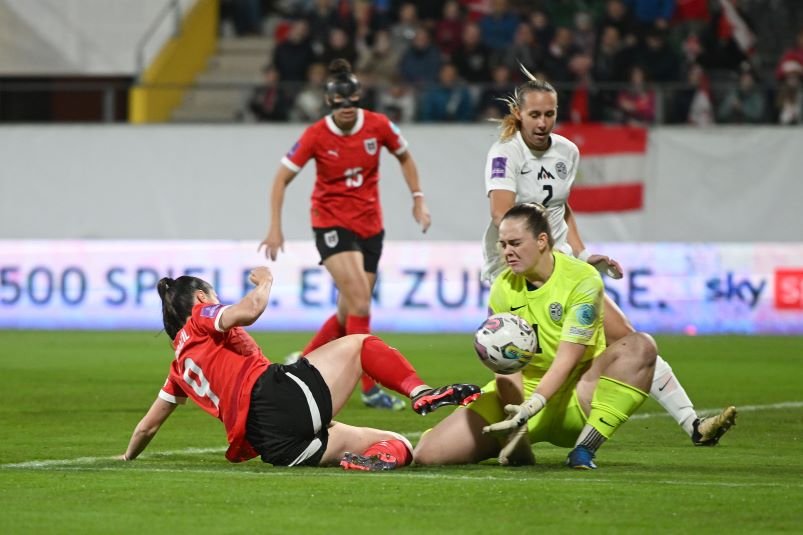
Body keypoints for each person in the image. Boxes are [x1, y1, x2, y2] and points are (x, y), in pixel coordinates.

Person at [477, 67, 736, 448]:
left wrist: (581, 254)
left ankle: (693, 424)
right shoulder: (505, 154)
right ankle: (518, 432)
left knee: (629, 339)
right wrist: (539, 255)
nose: (544, 122)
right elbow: (502, 217)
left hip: (557, 260)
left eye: (550, 114)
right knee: (519, 357)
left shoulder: (568, 151)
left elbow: (561, 207)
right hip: (515, 266)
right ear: (519, 114)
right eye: (535, 115)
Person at [119, 268, 480, 471]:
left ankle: (372, 462)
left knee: (400, 444)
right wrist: (265, 282)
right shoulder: (201, 317)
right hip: (278, 399)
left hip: (277, 447)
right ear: (200, 299)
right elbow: (249, 310)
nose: (215, 301)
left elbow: (148, 426)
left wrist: (127, 456)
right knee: (361, 343)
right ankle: (420, 392)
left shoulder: (178, 367)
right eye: (212, 295)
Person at [415, 203, 658, 469]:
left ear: (542, 241)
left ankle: (584, 449)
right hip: (518, 399)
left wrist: (532, 407)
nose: (508, 252)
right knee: (428, 454)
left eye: (516, 243)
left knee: (640, 346)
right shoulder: (503, 287)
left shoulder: (582, 279)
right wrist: (517, 424)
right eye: (504, 244)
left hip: (576, 396)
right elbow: (504, 364)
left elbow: (567, 358)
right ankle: (520, 446)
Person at [259, 58, 432, 411]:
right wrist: (275, 226)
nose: (347, 111)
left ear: (359, 98)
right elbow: (281, 178)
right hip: (331, 224)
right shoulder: (316, 135)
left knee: (346, 313)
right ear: (329, 103)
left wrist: (418, 199)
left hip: (370, 226)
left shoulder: (379, 126)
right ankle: (369, 388)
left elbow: (406, 157)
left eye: (352, 104)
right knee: (362, 302)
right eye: (340, 106)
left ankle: (298, 367)